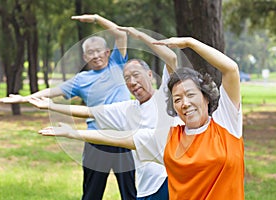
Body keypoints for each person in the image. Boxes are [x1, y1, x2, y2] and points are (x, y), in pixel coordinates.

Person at [38, 37, 245, 199]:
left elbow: (231, 69)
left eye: (191, 95)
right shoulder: (169, 139)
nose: (185, 103)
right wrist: (72, 133)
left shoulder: (226, 123)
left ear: (206, 97)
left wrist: (190, 43)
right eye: (177, 99)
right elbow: (118, 138)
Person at [29, 27, 182, 200]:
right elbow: (89, 111)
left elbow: (171, 57)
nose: (132, 82)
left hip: (168, 180)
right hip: (145, 186)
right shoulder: (127, 109)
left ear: (149, 74)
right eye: (127, 79)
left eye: (136, 75)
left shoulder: (164, 96)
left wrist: (140, 36)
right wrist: (51, 106)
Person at [0, 14, 137, 200]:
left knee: (130, 194)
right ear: (84, 56)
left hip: (122, 138)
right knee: (91, 194)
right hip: (96, 140)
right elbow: (53, 91)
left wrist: (97, 19)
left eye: (99, 51)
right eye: (90, 52)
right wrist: (24, 98)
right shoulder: (81, 80)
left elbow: (120, 35)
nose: (95, 55)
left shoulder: (117, 64)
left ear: (107, 52)